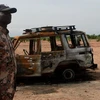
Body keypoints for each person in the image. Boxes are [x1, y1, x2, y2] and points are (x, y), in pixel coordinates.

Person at [0, 4, 17, 100]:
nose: (9, 15)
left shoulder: (6, 35)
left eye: (10, 13)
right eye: (5, 12)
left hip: (7, 88)